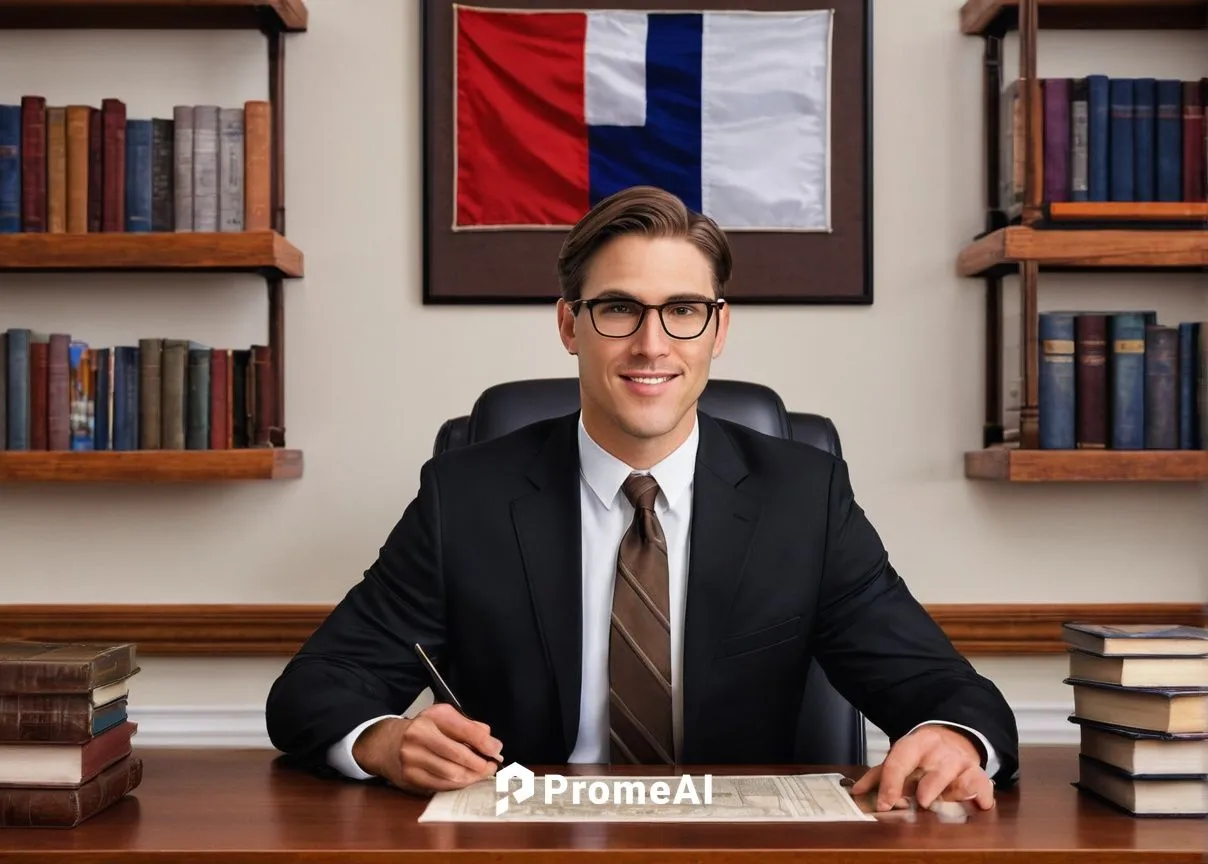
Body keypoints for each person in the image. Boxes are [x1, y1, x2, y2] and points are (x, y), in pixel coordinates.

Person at [265, 185, 1019, 812]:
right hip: (528, 848)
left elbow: (943, 687)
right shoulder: (466, 495)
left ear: (717, 330)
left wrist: (952, 736)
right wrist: (382, 741)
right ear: (570, 325)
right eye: (619, 309)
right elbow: (315, 689)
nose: (652, 344)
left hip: (744, 855)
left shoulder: (803, 497)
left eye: (683, 310)